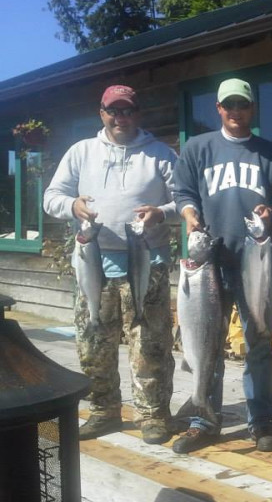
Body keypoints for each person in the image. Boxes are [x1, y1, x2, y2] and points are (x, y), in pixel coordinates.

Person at [43, 84, 179, 445]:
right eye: (113, 111)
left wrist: (161, 213)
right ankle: (104, 410)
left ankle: (152, 414)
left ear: (138, 114)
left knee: (149, 345)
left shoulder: (160, 154)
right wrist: (72, 206)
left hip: (147, 262)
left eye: (128, 110)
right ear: (101, 113)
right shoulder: (80, 152)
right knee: (93, 344)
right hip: (93, 264)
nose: (121, 118)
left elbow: (185, 201)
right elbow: (51, 197)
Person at [171, 78, 272, 454]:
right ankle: (203, 418)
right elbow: (183, 193)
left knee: (258, 342)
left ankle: (261, 419)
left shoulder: (269, 153)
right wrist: (190, 217)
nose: (236, 111)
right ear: (218, 109)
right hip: (209, 262)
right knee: (208, 341)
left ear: (252, 109)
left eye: (242, 104)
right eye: (228, 105)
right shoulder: (198, 147)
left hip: (255, 262)